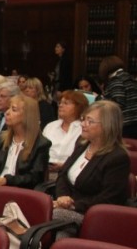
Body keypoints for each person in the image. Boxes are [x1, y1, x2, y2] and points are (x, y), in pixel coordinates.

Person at [52, 100, 131, 238]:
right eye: (83, 119)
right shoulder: (82, 144)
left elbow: (109, 199)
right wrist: (62, 197)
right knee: (60, 235)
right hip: (65, 209)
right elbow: (63, 174)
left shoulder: (117, 157)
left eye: (90, 121)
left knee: (47, 212)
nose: (83, 124)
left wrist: (72, 205)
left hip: (92, 215)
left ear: (107, 126)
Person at [0, 95, 51, 192]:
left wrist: (6, 180)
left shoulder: (41, 144)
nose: (7, 112)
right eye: (8, 108)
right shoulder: (0, 139)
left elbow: (34, 178)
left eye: (13, 109)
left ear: (27, 116)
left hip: (21, 192)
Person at [42, 90, 88, 174]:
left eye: (66, 103)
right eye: (60, 103)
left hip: (70, 173)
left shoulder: (84, 129)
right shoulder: (50, 126)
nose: (61, 105)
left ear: (79, 107)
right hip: (45, 173)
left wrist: (64, 166)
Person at [99, 55, 137, 138]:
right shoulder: (130, 78)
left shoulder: (116, 80)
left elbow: (118, 102)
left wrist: (101, 99)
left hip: (125, 123)